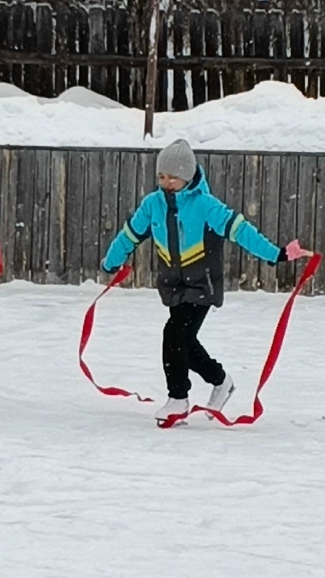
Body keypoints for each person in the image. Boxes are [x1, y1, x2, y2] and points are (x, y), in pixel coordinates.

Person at [101, 138, 312, 425]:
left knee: (174, 335)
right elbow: (129, 235)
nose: (166, 183)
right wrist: (112, 261)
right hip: (174, 286)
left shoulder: (205, 205)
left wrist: (277, 254)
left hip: (202, 285)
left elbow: (241, 230)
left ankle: (178, 399)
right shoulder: (152, 205)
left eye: (173, 177)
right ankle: (221, 381)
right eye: (161, 176)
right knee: (184, 342)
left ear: (187, 176)